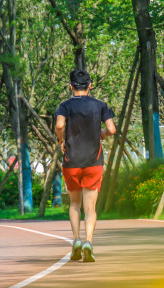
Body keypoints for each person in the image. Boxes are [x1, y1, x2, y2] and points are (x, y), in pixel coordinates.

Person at [55, 69, 116, 262]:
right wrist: (104, 135)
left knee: (74, 204)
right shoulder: (100, 105)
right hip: (93, 162)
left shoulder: (64, 106)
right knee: (90, 208)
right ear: (90, 85)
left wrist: (60, 141)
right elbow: (112, 129)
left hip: (71, 162)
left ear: (71, 86)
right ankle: (89, 241)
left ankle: (76, 241)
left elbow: (59, 126)